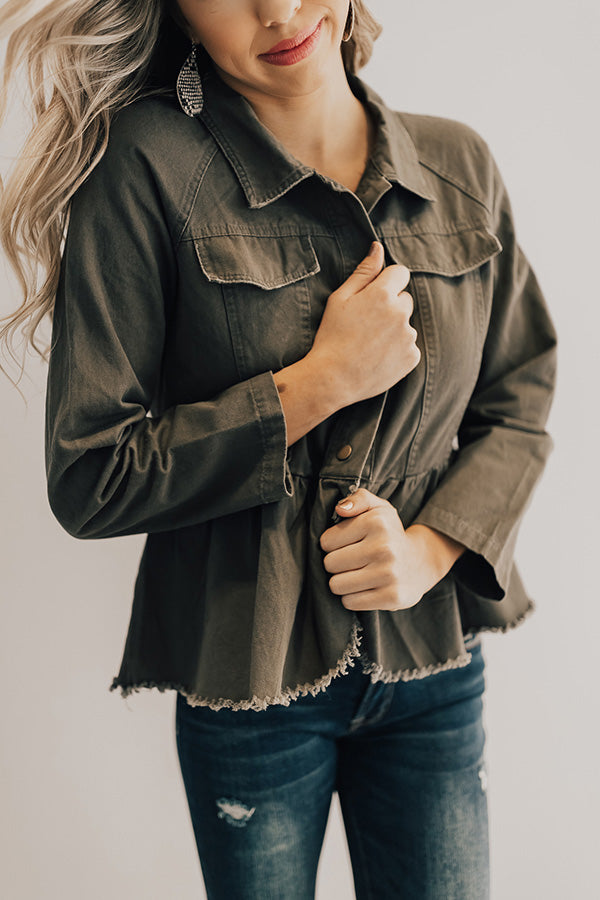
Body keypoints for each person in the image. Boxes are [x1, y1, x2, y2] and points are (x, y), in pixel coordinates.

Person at [0, 1, 557, 897]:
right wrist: (317, 384)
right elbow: (92, 474)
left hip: (432, 664)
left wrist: (428, 550)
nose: (279, 10)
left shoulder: (459, 164)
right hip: (245, 676)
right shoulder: (144, 168)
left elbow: (519, 394)